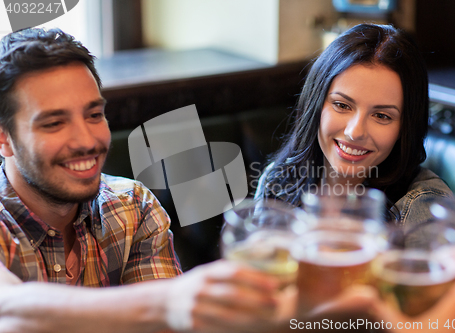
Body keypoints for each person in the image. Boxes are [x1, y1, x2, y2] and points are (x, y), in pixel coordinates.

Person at [0, 28, 281, 333]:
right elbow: (8, 308)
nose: (86, 140)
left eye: (94, 115)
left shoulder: (133, 206)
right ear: (4, 138)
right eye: (54, 123)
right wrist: (169, 302)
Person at [254, 23, 455, 247]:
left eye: (381, 116)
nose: (355, 132)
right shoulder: (279, 179)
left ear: (405, 127)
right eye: (342, 105)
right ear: (316, 104)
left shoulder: (424, 203)